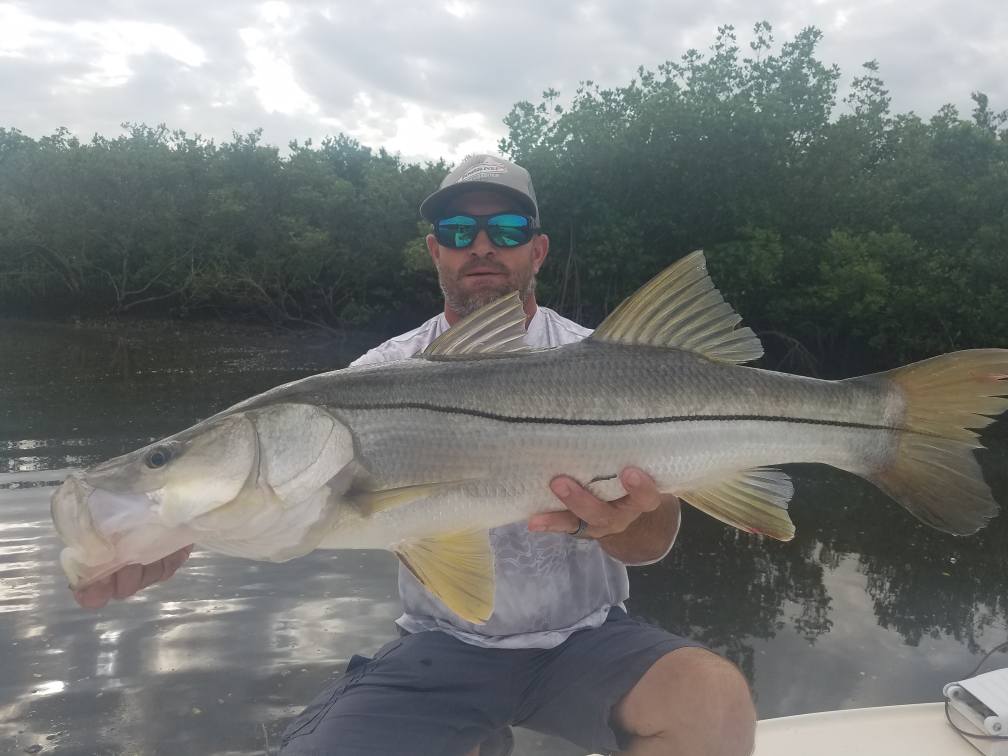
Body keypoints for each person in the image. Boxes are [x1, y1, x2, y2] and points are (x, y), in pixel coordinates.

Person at [73, 154, 757, 756]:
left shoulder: (609, 361)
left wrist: (624, 522)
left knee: (715, 704)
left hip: (587, 636)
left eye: (507, 231)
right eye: (459, 233)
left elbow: (653, 540)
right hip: (444, 647)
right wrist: (174, 531)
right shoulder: (374, 373)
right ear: (435, 250)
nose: (482, 247)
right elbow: (287, 507)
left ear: (538, 251)